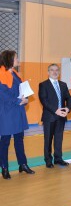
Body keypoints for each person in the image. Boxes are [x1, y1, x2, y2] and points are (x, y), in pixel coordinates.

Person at [0, 50, 35, 179]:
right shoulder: (0, 73)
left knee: (19, 139)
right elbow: (3, 94)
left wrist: (25, 98)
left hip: (18, 111)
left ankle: (23, 164)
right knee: (5, 141)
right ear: (9, 59)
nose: (18, 59)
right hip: (7, 112)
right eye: (16, 57)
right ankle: (4, 167)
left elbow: (21, 90)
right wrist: (19, 100)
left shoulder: (15, 74)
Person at [38, 64, 71, 168]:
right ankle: (48, 160)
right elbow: (44, 100)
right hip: (49, 117)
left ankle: (58, 159)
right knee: (48, 139)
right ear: (48, 72)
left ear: (59, 72)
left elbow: (69, 98)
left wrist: (67, 108)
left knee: (59, 138)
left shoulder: (63, 84)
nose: (55, 72)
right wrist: (55, 110)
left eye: (57, 70)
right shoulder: (43, 85)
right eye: (52, 70)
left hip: (61, 116)